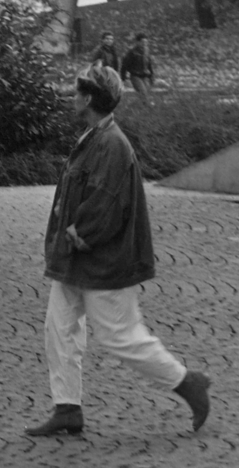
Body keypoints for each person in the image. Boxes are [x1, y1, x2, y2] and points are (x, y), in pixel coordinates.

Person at [25, 64, 210, 438]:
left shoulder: (110, 143)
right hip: (77, 260)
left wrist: (79, 232)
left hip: (102, 261)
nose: (72, 96)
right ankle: (67, 408)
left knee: (121, 336)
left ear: (89, 97)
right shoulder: (96, 135)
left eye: (77, 91)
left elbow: (106, 203)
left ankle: (187, 382)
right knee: (58, 329)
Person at [121, 32, 155, 103]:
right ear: (137, 42)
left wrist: (152, 75)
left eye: (146, 42)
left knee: (147, 92)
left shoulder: (147, 51)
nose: (144, 44)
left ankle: (142, 107)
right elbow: (125, 65)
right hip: (135, 76)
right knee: (143, 92)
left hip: (145, 76)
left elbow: (149, 64)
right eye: (142, 42)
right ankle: (146, 107)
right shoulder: (132, 52)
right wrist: (123, 78)